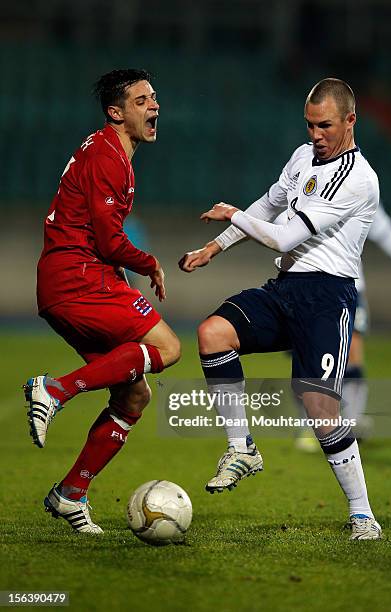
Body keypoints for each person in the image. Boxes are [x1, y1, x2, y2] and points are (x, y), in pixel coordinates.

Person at [179, 78, 382, 540]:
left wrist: (232, 215)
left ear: (351, 120)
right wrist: (216, 246)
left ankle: (362, 513)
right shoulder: (302, 156)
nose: (316, 134)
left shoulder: (359, 178)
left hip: (327, 299)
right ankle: (242, 448)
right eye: (310, 124)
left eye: (325, 125)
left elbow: (285, 236)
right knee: (213, 332)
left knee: (320, 409)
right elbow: (270, 205)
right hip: (286, 287)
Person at [24, 69, 181, 534]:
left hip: (68, 281)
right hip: (78, 278)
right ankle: (55, 390)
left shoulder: (107, 150)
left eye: (154, 98)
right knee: (169, 348)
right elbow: (110, 241)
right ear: (116, 112)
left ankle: (70, 494)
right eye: (140, 101)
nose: (153, 107)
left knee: (134, 394)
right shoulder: (109, 157)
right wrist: (149, 261)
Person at [295, 201, 391, 451]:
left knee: (352, 349)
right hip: (307, 285)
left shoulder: (362, 189)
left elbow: (387, 233)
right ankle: (310, 426)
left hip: (350, 286)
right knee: (311, 356)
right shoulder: (304, 186)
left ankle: (351, 422)